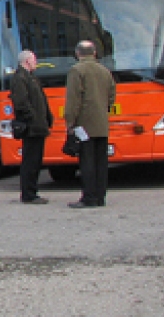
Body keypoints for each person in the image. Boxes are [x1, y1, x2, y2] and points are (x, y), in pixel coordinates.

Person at [63, 40, 116, 208]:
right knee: (101, 162)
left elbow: (73, 99)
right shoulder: (105, 71)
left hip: (84, 125)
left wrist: (70, 121)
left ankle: (89, 197)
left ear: (78, 54)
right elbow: (112, 95)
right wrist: (103, 110)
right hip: (101, 124)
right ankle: (100, 197)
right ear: (94, 53)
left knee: (87, 162)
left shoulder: (76, 70)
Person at [10, 49, 53, 204]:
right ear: (27, 61)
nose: (36, 63)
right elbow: (21, 102)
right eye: (34, 60)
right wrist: (33, 118)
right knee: (30, 160)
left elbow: (40, 99)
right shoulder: (20, 78)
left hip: (38, 125)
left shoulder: (30, 78)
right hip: (31, 127)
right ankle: (29, 193)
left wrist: (47, 117)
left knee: (36, 160)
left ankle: (32, 191)